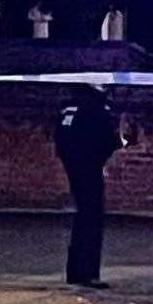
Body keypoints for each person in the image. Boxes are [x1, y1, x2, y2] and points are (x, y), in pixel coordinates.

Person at [54, 85, 124, 288]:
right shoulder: (96, 107)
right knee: (92, 218)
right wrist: (118, 144)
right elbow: (104, 139)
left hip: (73, 167)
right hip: (89, 167)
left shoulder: (69, 105)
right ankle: (88, 273)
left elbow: (60, 138)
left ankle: (74, 272)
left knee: (82, 216)